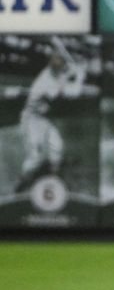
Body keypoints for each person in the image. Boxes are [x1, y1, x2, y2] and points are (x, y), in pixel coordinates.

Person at [15, 49, 87, 192]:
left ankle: (55, 177)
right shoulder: (45, 82)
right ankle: (22, 183)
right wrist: (80, 76)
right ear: (51, 65)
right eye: (58, 65)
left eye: (61, 64)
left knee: (57, 146)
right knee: (35, 156)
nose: (61, 68)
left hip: (44, 118)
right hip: (32, 120)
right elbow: (72, 93)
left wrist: (77, 67)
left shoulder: (54, 72)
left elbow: (65, 74)